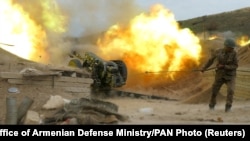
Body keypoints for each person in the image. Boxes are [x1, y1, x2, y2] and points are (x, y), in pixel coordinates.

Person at [201, 38, 238, 112]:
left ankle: (228, 107)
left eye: (232, 48)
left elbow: (235, 66)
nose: (231, 49)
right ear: (225, 46)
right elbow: (210, 60)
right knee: (214, 91)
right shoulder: (218, 51)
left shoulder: (234, 53)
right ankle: (211, 106)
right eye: (230, 48)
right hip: (220, 75)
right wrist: (204, 68)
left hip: (230, 76)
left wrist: (224, 66)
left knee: (231, 91)